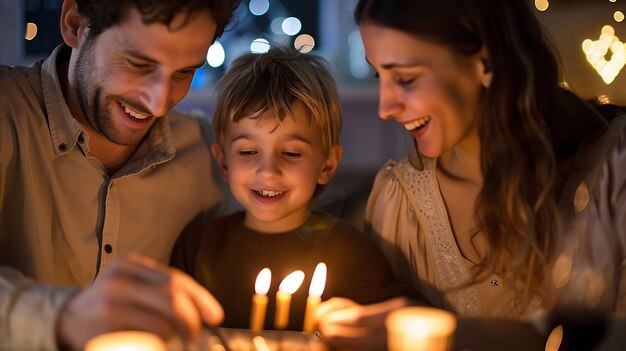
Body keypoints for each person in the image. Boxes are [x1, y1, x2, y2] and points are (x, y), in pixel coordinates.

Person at [314, 0, 626, 350]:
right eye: (379, 76)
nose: (385, 108)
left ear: (485, 62)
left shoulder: (613, 171)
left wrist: (445, 337)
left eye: (405, 78)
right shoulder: (399, 203)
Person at [0, 0, 240, 349]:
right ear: (75, 24)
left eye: (183, 72)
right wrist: (64, 317)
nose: (158, 103)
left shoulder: (204, 153)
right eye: (139, 64)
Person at [171, 46, 423, 331]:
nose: (267, 170)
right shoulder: (198, 247)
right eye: (247, 152)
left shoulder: (350, 252)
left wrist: (366, 322)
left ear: (327, 165)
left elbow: (414, 322)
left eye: (291, 153)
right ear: (224, 163)